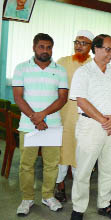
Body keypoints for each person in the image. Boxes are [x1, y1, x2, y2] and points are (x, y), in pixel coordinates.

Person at [69, 34, 111, 220]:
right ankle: (78, 209)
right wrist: (104, 120)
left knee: (109, 170)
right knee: (83, 171)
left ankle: (104, 204)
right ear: (96, 48)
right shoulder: (83, 72)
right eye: (108, 49)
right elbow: (81, 101)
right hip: (91, 126)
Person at [12, 33, 68, 216]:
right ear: (34, 47)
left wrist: (42, 116)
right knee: (26, 165)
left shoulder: (59, 70)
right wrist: (34, 118)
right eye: (42, 47)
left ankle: (48, 196)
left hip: (52, 125)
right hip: (28, 126)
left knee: (51, 164)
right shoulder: (21, 68)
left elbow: (63, 98)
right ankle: (27, 199)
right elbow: (18, 97)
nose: (45, 50)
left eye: (49, 47)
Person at [54, 30, 94, 203]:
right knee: (63, 153)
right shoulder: (62, 62)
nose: (79, 46)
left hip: (87, 118)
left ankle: (79, 188)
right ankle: (60, 185)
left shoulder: (96, 66)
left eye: (83, 43)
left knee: (82, 154)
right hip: (64, 116)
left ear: (91, 47)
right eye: (76, 42)